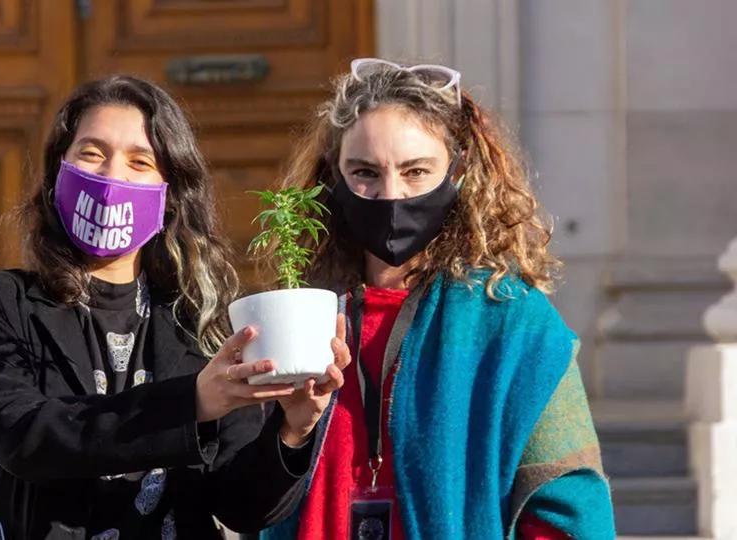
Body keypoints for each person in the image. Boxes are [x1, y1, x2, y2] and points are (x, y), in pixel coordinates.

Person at [0, 75, 350, 540]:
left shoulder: (203, 319)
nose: (111, 178)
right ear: (58, 170)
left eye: (139, 162)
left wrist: (294, 428)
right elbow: (25, 437)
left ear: (169, 195)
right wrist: (191, 403)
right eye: (92, 153)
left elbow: (242, 507)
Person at [258, 59, 616, 540]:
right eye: (365, 172)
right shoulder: (297, 317)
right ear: (332, 177)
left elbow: (570, 509)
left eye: (416, 171)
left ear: (458, 173)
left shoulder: (515, 323)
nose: (391, 195)